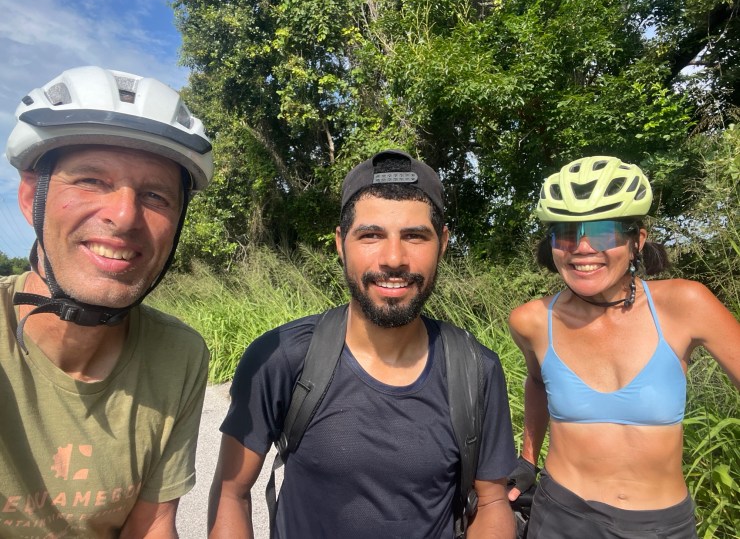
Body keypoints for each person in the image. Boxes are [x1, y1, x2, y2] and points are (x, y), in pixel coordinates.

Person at [208, 149, 518, 538]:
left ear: (442, 243)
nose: (394, 258)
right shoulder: (283, 357)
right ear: (341, 244)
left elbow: (490, 501)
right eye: (371, 235)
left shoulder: (475, 370)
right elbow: (231, 493)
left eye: (415, 236)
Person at [1, 66, 214, 537]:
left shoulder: (179, 355)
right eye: (91, 180)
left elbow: (152, 526)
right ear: (31, 197)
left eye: (155, 195)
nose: (124, 216)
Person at [506, 156, 740, 538]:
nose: (582, 248)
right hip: (559, 516)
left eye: (603, 232)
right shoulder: (532, 321)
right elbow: (537, 382)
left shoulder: (686, 305)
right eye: (566, 233)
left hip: (660, 527)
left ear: (637, 241)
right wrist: (527, 459)